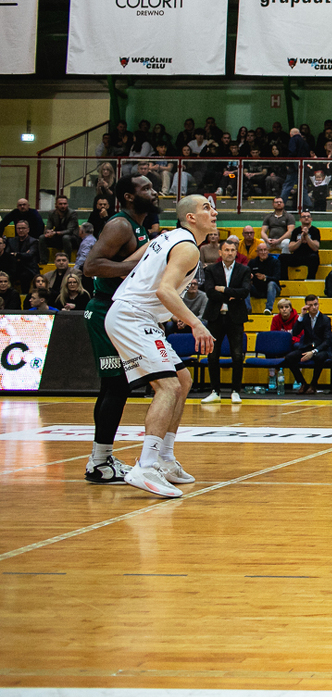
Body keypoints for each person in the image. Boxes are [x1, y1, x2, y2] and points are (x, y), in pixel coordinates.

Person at [105, 194, 218, 498]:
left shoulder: (168, 237)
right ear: (190, 218)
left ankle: (165, 459)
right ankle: (146, 465)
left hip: (138, 315)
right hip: (132, 316)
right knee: (168, 387)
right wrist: (196, 324)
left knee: (183, 380)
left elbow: (130, 266)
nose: (214, 212)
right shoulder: (187, 247)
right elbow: (164, 291)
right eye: (206, 208)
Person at [79, 175, 157, 485]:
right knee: (116, 386)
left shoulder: (138, 227)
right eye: (146, 188)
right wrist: (135, 267)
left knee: (116, 387)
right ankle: (99, 462)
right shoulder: (120, 225)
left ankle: (101, 459)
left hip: (119, 312)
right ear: (128, 196)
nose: (153, 192)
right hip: (104, 310)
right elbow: (91, 266)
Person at [199, 235, 250, 404]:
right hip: (215, 316)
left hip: (235, 317)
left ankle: (236, 391)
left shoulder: (244, 270)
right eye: (226, 250)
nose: (230, 253)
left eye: (233, 250)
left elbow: (244, 292)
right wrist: (231, 295)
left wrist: (223, 289)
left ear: (236, 252)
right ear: (220, 252)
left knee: (237, 355)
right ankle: (215, 391)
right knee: (213, 355)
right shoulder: (211, 270)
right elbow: (209, 292)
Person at [274, 295, 332, 393]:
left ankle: (313, 384)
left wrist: (314, 352)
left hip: (322, 349)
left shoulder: (325, 319)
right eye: (310, 305)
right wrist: (301, 316)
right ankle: (303, 383)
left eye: (315, 304)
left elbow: (327, 340)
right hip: (307, 347)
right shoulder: (305, 318)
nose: (314, 307)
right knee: (289, 357)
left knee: (319, 357)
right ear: (306, 307)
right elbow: (295, 332)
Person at [2, 219, 42, 293]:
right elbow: (8, 255)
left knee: (24, 276)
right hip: (15, 266)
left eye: (23, 228)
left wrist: (16, 254)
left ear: (28, 230)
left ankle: (24, 294)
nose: (21, 230)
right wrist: (23, 255)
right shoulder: (11, 241)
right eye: (18, 228)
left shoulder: (34, 241)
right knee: (7, 274)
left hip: (28, 268)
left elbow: (30, 255)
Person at [281, 211, 321, 279]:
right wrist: (301, 240)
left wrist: (307, 236)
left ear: (311, 219)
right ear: (300, 219)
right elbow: (291, 248)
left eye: (308, 216)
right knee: (282, 257)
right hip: (297, 256)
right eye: (304, 216)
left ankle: (310, 280)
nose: (306, 218)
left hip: (310, 256)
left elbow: (315, 248)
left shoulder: (315, 231)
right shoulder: (296, 231)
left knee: (315, 258)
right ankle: (285, 280)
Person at [246, 240, 282, 313]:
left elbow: (277, 277)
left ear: (268, 251)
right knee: (246, 284)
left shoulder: (275, 262)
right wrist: (249, 277)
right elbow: (246, 276)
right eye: (261, 250)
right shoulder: (252, 262)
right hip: (257, 289)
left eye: (265, 250)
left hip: (273, 290)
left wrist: (265, 278)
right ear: (257, 252)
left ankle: (268, 309)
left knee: (271, 283)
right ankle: (247, 309)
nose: (263, 252)